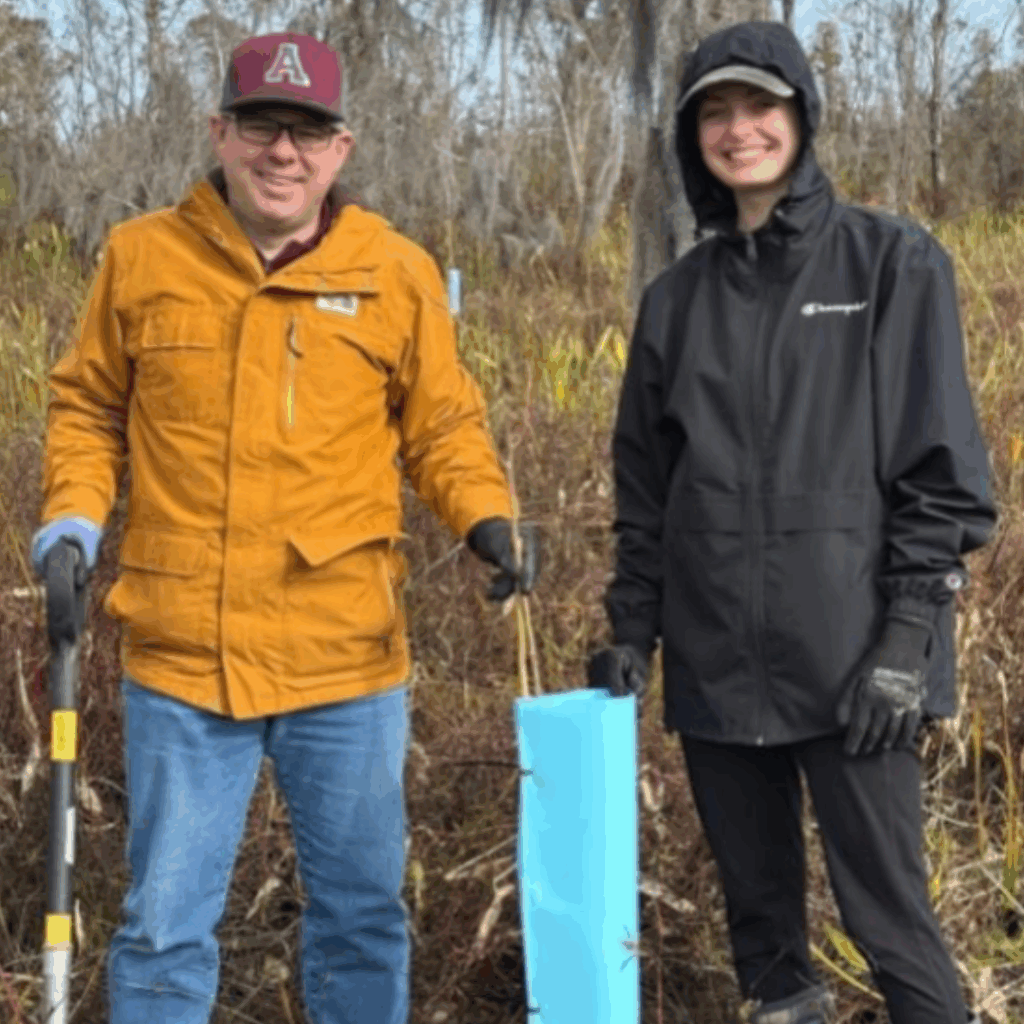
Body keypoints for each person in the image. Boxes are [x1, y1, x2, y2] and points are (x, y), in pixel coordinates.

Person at [31, 32, 539, 1024]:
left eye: (307, 132)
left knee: (360, 916)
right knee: (164, 923)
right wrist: (71, 523)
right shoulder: (142, 256)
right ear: (219, 132)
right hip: (184, 656)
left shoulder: (395, 270)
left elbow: (440, 421)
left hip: (344, 656)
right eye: (261, 125)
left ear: (341, 148)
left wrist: (486, 516)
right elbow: (87, 406)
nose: (282, 152)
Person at [588, 19, 995, 1024]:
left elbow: (940, 474)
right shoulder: (673, 301)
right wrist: (629, 629)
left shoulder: (890, 262)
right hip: (718, 665)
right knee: (761, 930)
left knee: (890, 918)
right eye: (714, 113)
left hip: (857, 665)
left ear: (801, 117)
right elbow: (646, 489)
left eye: (758, 106)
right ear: (692, 140)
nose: (738, 130)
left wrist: (907, 636)